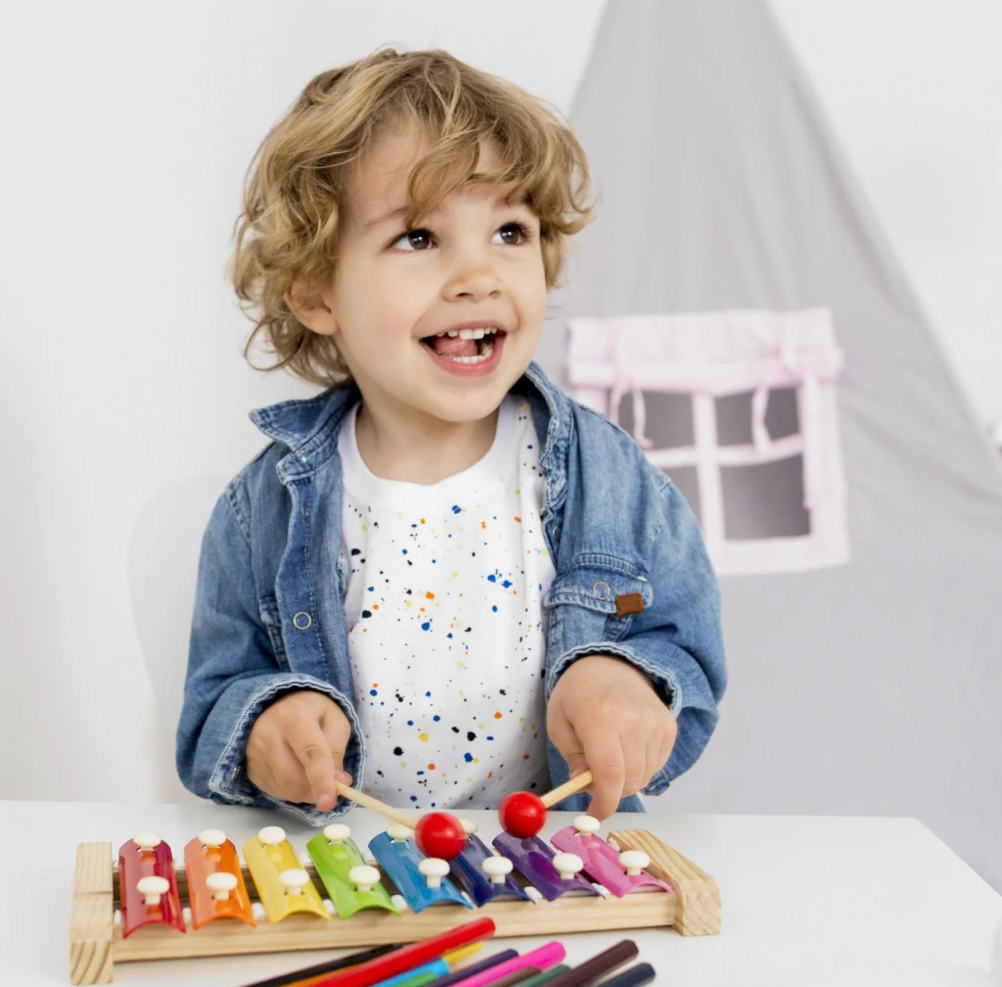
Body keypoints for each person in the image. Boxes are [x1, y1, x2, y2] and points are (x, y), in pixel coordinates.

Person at [177, 48, 726, 826]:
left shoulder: (604, 475)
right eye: (419, 239)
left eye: (509, 231)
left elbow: (682, 648)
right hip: (361, 880)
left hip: (551, 879)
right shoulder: (262, 508)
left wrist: (623, 677)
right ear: (315, 291)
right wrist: (268, 722)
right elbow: (213, 706)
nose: (479, 275)